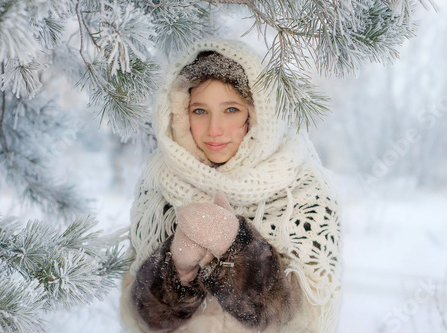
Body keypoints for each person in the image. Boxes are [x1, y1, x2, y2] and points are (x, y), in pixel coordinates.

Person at [120, 39, 342, 333]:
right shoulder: (159, 185)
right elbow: (138, 316)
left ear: (257, 112)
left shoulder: (303, 193)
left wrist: (236, 248)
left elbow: (304, 316)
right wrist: (177, 270)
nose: (214, 129)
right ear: (179, 113)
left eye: (231, 110)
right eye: (200, 111)